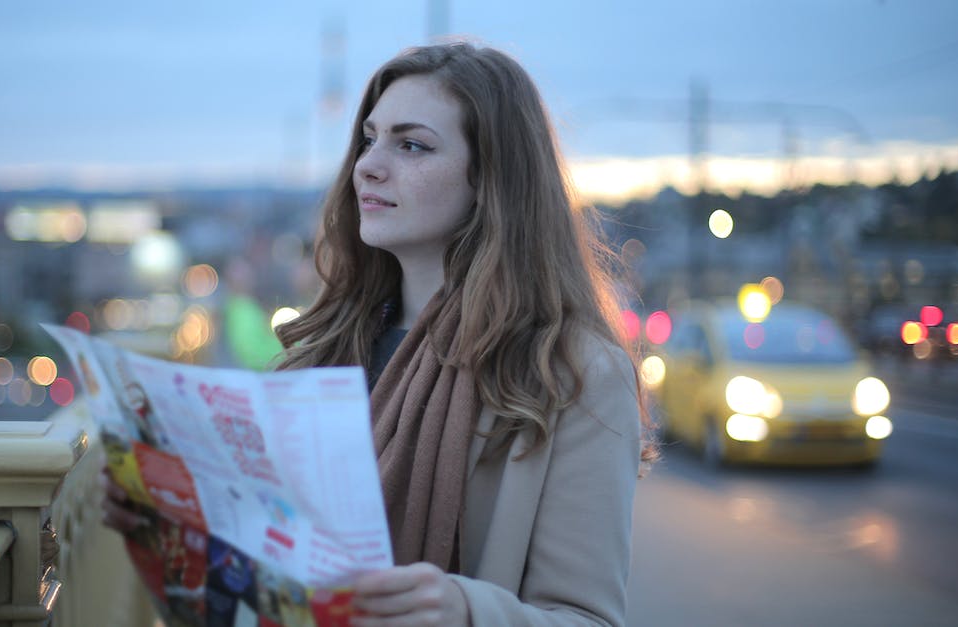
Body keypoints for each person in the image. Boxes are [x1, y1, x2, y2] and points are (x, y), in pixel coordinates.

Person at [105, 41, 656, 626]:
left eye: (412, 145)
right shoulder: (321, 353)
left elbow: (588, 617)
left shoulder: (572, 372)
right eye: (370, 138)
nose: (368, 164)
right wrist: (177, 529)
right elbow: (271, 588)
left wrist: (464, 613)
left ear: (491, 180)